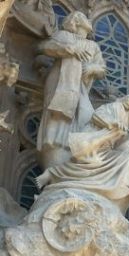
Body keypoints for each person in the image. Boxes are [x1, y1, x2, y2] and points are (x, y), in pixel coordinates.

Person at [37, 93, 129, 212]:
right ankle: (54, 173)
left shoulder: (128, 122)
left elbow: (122, 145)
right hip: (93, 144)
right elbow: (98, 115)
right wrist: (111, 123)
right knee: (90, 163)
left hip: (105, 149)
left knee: (126, 160)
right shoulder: (115, 107)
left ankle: (117, 194)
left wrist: (123, 144)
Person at [37, 12, 106, 168]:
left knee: (85, 115)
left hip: (80, 87)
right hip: (61, 81)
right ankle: (53, 145)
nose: (89, 20)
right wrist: (69, 49)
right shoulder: (64, 35)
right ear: (76, 21)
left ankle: (74, 147)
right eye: (84, 17)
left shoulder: (93, 46)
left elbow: (102, 68)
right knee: (58, 114)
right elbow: (44, 46)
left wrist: (92, 68)